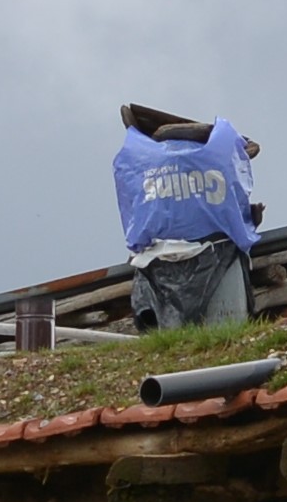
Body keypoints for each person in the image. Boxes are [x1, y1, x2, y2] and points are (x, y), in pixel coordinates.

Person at [111, 100, 261, 332]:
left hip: (161, 259)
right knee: (225, 332)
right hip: (215, 251)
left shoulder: (141, 157)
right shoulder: (218, 151)